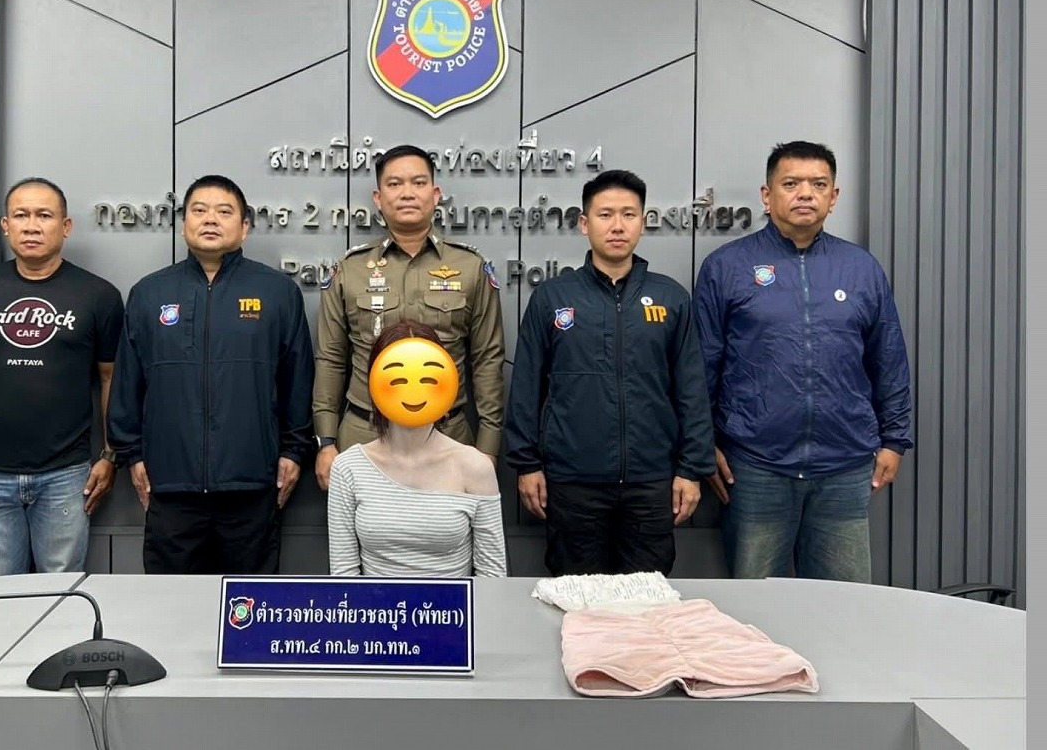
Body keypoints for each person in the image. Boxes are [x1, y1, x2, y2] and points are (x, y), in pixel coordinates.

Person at [694, 140, 913, 583]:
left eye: (819, 184)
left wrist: (895, 439)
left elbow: (888, 358)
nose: (806, 194)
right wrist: (701, 446)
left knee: (844, 605)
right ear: (767, 194)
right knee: (756, 604)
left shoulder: (861, 268)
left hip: (845, 467)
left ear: (834, 196)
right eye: (791, 183)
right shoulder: (726, 267)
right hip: (754, 467)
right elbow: (700, 366)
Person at [504, 169, 715, 577]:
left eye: (628, 214)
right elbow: (526, 387)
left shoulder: (671, 298)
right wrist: (526, 465)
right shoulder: (552, 298)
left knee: (646, 600)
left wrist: (691, 470)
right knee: (577, 597)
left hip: (652, 484)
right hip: (572, 482)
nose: (617, 226)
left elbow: (692, 390)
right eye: (605, 215)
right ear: (584, 224)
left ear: (643, 222)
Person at [107, 174, 315, 575]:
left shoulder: (277, 292)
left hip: (252, 485)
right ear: (184, 221)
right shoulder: (149, 294)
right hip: (171, 485)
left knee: (248, 604)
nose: (210, 219)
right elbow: (128, 383)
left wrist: (293, 451)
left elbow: (298, 380)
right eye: (199, 210)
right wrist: (131, 454)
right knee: (172, 604)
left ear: (245, 226)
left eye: (224, 211)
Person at [0, 177, 124, 577]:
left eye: (44, 215)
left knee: (60, 593)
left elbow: (112, 380)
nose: (32, 226)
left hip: (66, 476)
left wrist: (110, 455)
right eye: (21, 216)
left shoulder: (99, 296)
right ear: (6, 226)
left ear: (65, 226)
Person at [313, 144, 505, 490]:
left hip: (448, 434)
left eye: (418, 183)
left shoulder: (470, 267)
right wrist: (326, 441)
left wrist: (488, 446)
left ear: (435, 194)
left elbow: (487, 360)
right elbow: (331, 359)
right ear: (378, 197)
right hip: (364, 434)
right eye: (394, 184)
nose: (407, 193)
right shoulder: (350, 269)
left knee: (449, 526)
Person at [327, 320, 507, 577]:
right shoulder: (348, 468)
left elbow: (492, 575)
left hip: (452, 604)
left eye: (427, 378)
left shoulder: (475, 466)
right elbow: (344, 574)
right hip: (375, 603)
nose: (412, 390)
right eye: (398, 379)